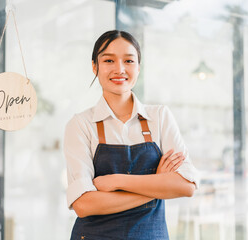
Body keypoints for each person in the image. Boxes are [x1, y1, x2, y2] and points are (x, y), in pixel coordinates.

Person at [64, 30, 200, 240]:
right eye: (109, 60)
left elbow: (186, 185)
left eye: (128, 60)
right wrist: (158, 183)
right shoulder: (81, 124)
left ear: (138, 67)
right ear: (94, 66)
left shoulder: (160, 117)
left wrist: (116, 181)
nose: (119, 69)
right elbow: (83, 204)